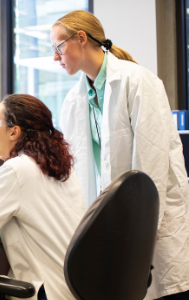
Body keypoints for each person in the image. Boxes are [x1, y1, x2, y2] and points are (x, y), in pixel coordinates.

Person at [51, 10, 189, 300]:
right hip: (117, 227)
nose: (55, 57)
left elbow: (150, 166)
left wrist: (139, 234)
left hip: (154, 222)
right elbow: (81, 175)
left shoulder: (137, 81)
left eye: (58, 46)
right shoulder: (74, 101)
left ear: (80, 38)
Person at [0, 94, 87, 300]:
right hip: (77, 291)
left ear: (14, 132)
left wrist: (10, 164)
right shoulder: (61, 170)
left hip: (49, 293)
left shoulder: (17, 170)